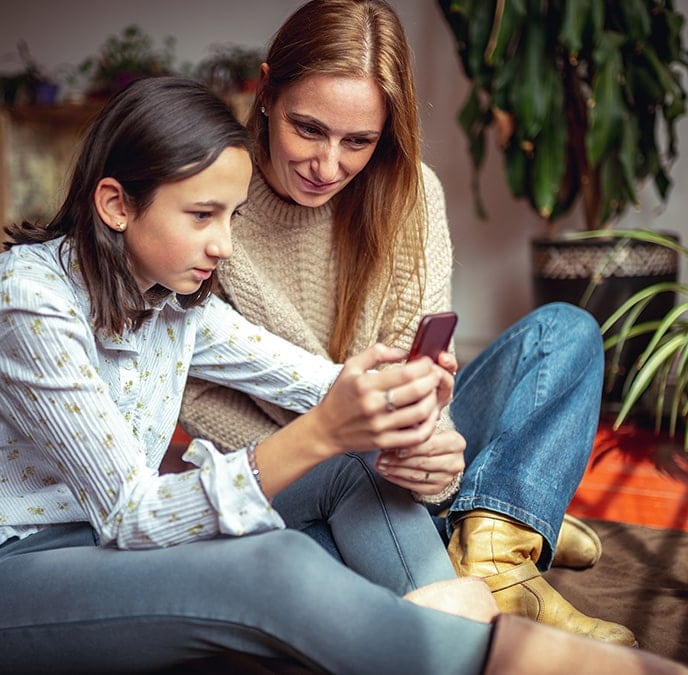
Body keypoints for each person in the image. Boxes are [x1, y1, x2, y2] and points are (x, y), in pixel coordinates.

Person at [178, 0, 635, 647]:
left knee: (565, 332)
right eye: (308, 129)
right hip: (293, 462)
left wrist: (435, 446)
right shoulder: (211, 198)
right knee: (314, 573)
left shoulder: (412, 191)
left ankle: (492, 545)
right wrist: (348, 441)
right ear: (267, 91)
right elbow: (194, 390)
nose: (328, 164)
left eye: (358, 141)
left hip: (394, 443)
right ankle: (503, 514)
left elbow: (419, 368)